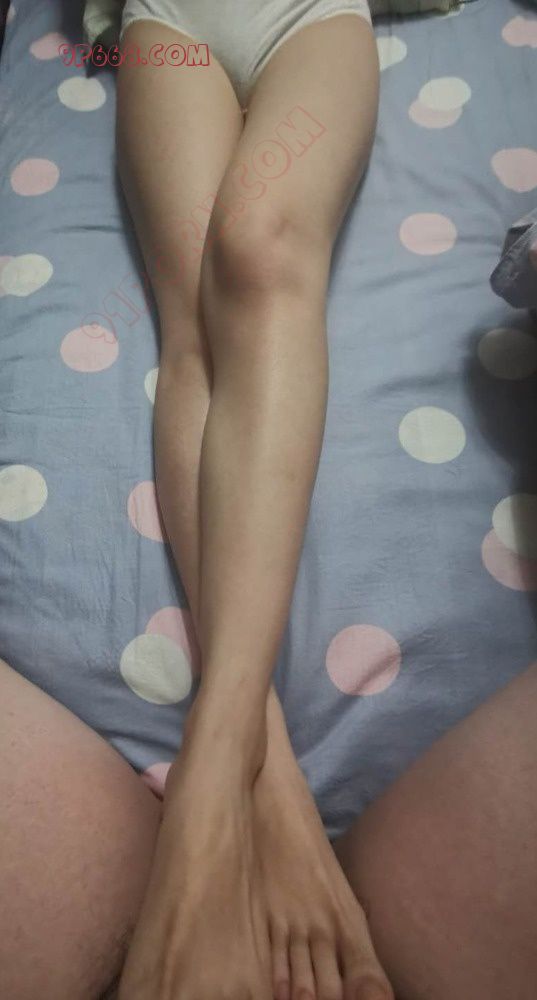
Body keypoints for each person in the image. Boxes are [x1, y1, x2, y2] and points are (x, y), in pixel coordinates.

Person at [1, 4, 536, 1000]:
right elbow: (85, 37)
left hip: (314, 13)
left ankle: (208, 780)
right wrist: (92, 39)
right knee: (192, 319)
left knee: (262, 246)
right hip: (168, 19)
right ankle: (270, 790)